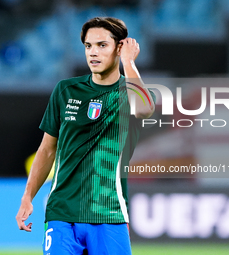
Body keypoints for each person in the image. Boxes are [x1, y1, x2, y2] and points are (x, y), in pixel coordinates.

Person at [16, 17, 155, 254]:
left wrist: (128, 63)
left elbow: (144, 108)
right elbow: (47, 149)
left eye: (102, 45)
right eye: (88, 46)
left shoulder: (127, 93)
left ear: (119, 48)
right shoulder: (65, 90)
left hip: (109, 213)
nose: (93, 52)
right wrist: (27, 196)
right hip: (62, 213)